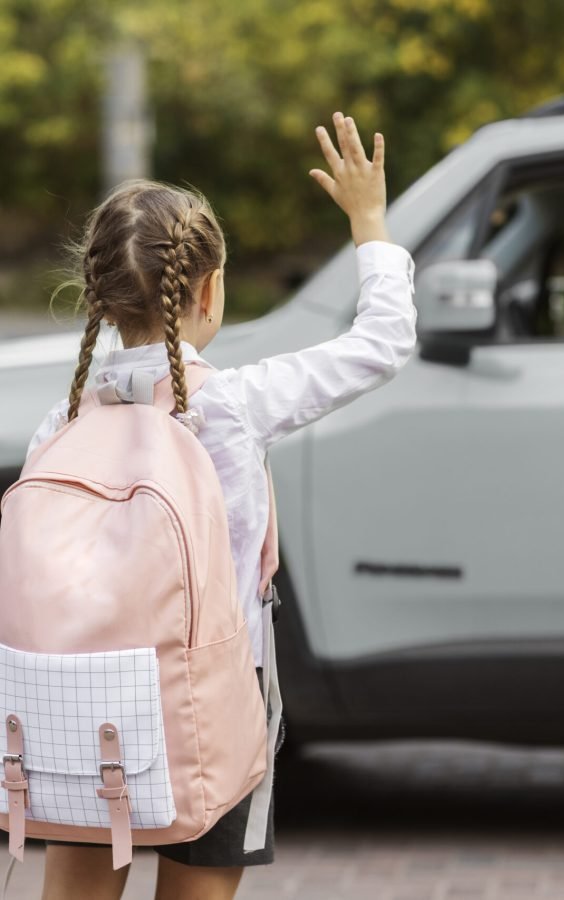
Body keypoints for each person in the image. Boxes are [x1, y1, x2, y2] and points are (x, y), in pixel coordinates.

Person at [25, 112, 416, 900]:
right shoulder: (233, 405)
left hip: (84, 706)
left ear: (97, 297)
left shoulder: (62, 422)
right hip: (218, 698)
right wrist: (368, 223)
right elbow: (383, 340)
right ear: (210, 289)